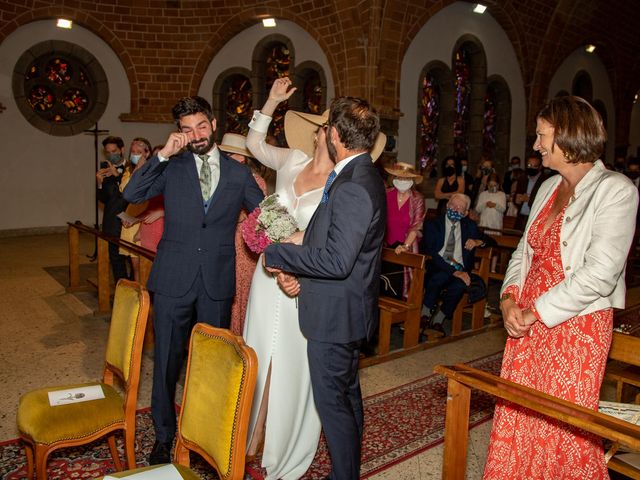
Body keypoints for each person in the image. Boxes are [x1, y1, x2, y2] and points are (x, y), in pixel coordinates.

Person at [484, 96, 639, 479]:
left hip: (575, 327)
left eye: (542, 136)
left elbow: (600, 272)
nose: (536, 145)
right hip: (525, 323)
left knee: (562, 430)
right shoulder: (548, 186)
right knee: (520, 419)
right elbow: (525, 250)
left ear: (568, 136)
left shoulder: (615, 190)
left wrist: (534, 310)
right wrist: (507, 300)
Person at [123, 96, 264, 465]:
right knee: (167, 363)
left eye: (201, 126)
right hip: (172, 279)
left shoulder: (238, 173)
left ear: (214, 124)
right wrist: (163, 155)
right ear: (180, 133)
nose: (196, 134)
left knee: (212, 363)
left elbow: (265, 214)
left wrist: (297, 247)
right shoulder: (172, 166)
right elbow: (131, 194)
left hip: (216, 281)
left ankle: (204, 433)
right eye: (187, 129)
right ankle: (164, 436)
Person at [263, 96, 386, 480]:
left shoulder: (353, 184)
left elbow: (337, 260)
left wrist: (280, 254)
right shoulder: (357, 174)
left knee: (333, 404)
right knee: (346, 398)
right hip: (345, 311)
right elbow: (330, 237)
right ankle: (347, 469)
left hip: (335, 317)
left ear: (333, 135)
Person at [217, 132, 267, 336]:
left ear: (241, 158)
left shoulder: (256, 181)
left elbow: (254, 214)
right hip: (224, 241)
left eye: (229, 155)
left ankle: (239, 343)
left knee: (240, 293)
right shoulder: (223, 178)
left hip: (242, 244)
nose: (225, 159)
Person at [420, 193, 491, 336]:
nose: (455, 209)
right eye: (453, 205)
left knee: (460, 284)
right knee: (439, 277)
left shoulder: (469, 226)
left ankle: (439, 320)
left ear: (465, 213)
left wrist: (478, 242)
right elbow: (431, 253)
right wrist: (453, 271)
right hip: (439, 265)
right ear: (447, 205)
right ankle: (425, 314)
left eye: (460, 208)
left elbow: (490, 240)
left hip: (460, 268)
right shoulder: (433, 224)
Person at [383, 161, 425, 298]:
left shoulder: (417, 199)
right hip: (385, 245)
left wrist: (405, 246)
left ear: (412, 181)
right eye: (399, 177)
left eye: (406, 178)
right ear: (394, 178)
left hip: (405, 245)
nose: (402, 181)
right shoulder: (386, 194)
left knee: (399, 285)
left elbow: (416, 226)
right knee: (383, 283)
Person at [118, 137, 153, 281]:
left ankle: (147, 297)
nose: (135, 154)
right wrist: (136, 170)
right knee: (135, 265)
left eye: (139, 152)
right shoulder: (129, 170)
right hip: (131, 214)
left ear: (147, 153)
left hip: (146, 215)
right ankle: (138, 297)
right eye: (133, 151)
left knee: (146, 264)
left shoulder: (152, 170)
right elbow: (124, 189)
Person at [96, 135, 129, 283]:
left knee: (134, 259)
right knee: (116, 259)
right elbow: (103, 199)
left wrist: (117, 176)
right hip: (112, 221)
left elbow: (129, 194)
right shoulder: (104, 169)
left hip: (130, 219)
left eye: (114, 151)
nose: (111, 155)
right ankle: (121, 291)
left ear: (122, 150)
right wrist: (99, 183)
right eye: (108, 152)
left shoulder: (132, 167)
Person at [475, 173, 507, 273]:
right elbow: (477, 209)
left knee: (494, 246)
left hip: (496, 224)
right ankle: (478, 267)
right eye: (490, 185)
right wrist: (485, 204)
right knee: (481, 244)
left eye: (495, 185)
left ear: (498, 185)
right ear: (487, 185)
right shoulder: (483, 194)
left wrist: (495, 205)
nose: (492, 187)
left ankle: (492, 269)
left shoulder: (501, 195)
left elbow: (503, 209)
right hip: (484, 223)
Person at [513, 153, 549, 230]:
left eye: (534, 166)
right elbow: (516, 198)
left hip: (535, 218)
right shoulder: (522, 179)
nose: (531, 168)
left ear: (540, 167)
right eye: (529, 165)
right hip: (521, 217)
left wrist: (529, 200)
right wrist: (516, 200)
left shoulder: (545, 181)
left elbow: (546, 202)